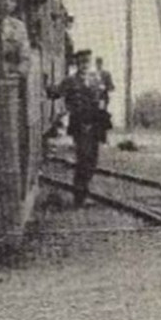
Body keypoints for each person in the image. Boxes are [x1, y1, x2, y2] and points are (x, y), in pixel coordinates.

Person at [49, 50, 105, 205]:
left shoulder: (96, 79)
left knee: (93, 159)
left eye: (87, 61)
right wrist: (48, 86)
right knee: (83, 158)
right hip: (79, 124)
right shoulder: (70, 81)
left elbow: (102, 97)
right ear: (77, 64)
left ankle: (83, 189)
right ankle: (79, 196)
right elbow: (55, 93)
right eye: (82, 62)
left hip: (95, 124)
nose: (85, 65)